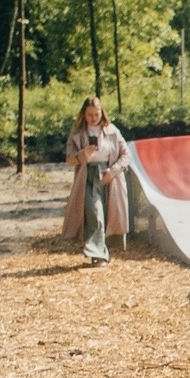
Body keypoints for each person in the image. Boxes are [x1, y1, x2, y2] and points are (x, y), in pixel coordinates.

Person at [62, 96, 131, 265]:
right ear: (83, 115)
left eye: (97, 114)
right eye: (90, 115)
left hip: (109, 176)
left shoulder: (112, 130)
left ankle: (104, 248)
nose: (94, 118)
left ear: (102, 112)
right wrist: (83, 154)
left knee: (110, 213)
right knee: (94, 212)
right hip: (87, 176)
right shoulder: (77, 133)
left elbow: (126, 154)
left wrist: (113, 171)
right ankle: (98, 254)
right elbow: (69, 158)